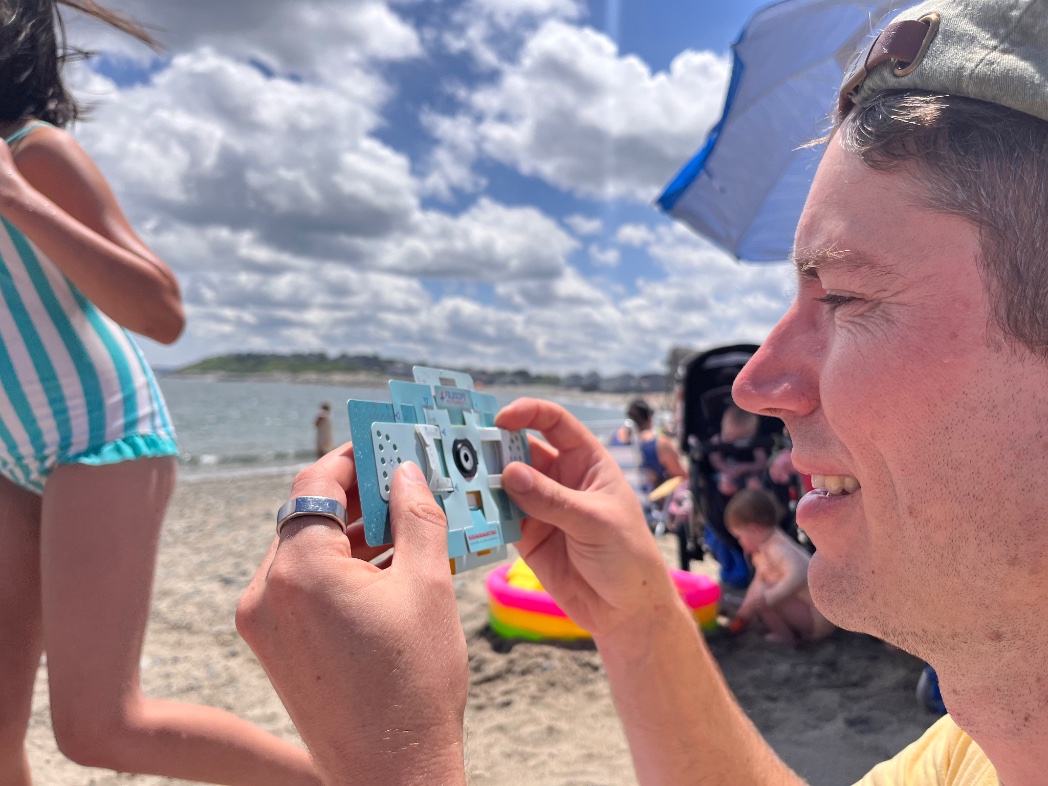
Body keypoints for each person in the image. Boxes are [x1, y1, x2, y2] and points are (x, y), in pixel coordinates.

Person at [237, 1, 1043, 783]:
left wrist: (395, 766)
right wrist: (635, 615)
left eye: (845, 298)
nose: (759, 384)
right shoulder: (977, 747)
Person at [0, 3, 318, 784]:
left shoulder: (34, 152)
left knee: (100, 726)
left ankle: (343, 781)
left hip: (101, 434)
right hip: (10, 452)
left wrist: (15, 199)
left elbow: (163, 312)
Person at [725, 488, 834, 646]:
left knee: (762, 597)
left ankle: (784, 636)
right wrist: (745, 611)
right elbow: (758, 582)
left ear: (754, 529)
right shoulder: (764, 547)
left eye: (739, 536)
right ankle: (743, 619)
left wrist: (770, 597)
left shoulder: (777, 548)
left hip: (818, 619)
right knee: (760, 591)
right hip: (809, 611)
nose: (740, 542)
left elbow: (798, 573)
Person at [708, 403, 768, 496]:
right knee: (722, 482)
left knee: (755, 483)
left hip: (749, 475)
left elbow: (762, 463)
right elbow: (715, 461)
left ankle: (754, 500)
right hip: (725, 473)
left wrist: (744, 467)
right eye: (728, 434)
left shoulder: (755, 443)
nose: (730, 439)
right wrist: (727, 469)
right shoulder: (717, 440)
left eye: (737, 438)